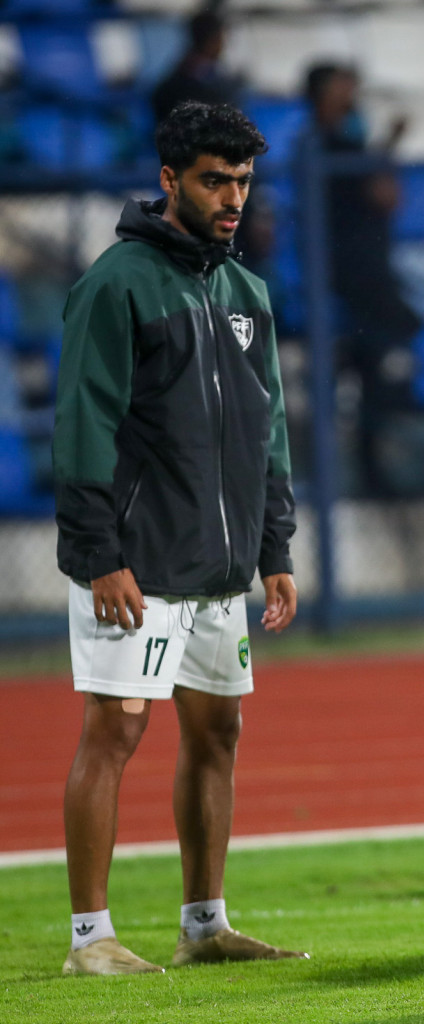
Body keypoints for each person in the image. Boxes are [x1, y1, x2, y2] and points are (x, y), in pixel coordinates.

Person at [52, 102, 304, 974]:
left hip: (219, 573)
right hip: (138, 566)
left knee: (218, 734)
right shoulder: (116, 283)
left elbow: (267, 434)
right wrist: (97, 556)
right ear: (169, 181)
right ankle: (91, 940)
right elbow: (84, 424)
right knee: (115, 733)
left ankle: (205, 927)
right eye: (213, 180)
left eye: (241, 180)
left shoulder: (247, 293)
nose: (233, 197)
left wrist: (275, 552)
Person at [303, 61, 420, 498]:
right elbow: (379, 193)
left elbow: (386, 196)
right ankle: (364, 470)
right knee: (376, 360)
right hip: (351, 282)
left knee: (381, 361)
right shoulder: (321, 145)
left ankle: (373, 463)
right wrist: (388, 147)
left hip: (367, 277)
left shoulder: (344, 144)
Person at [151, 8, 240, 124]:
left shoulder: (177, 73)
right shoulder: (205, 81)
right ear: (214, 39)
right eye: (222, 38)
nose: (224, 45)